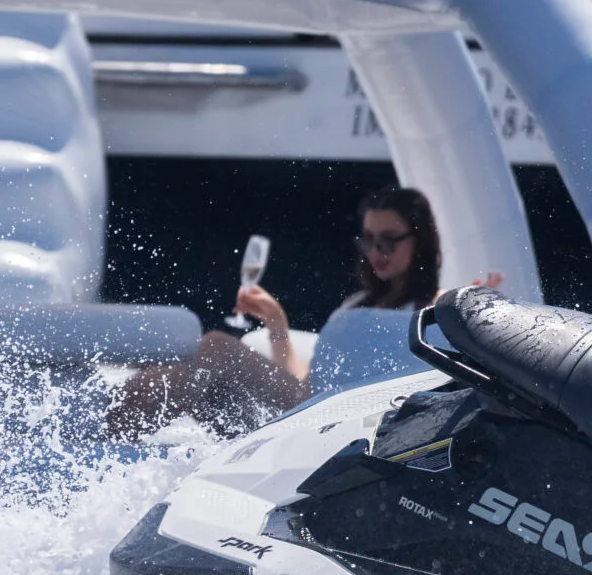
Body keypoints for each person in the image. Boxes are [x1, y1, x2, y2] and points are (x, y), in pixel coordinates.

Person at [107, 186, 455, 439]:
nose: (377, 251)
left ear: (420, 240)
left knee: (214, 347)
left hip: (349, 420)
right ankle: (114, 427)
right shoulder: (355, 303)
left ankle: (112, 428)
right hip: (314, 404)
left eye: (389, 239)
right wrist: (276, 322)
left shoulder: (435, 307)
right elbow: (307, 380)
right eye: (369, 239)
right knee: (207, 353)